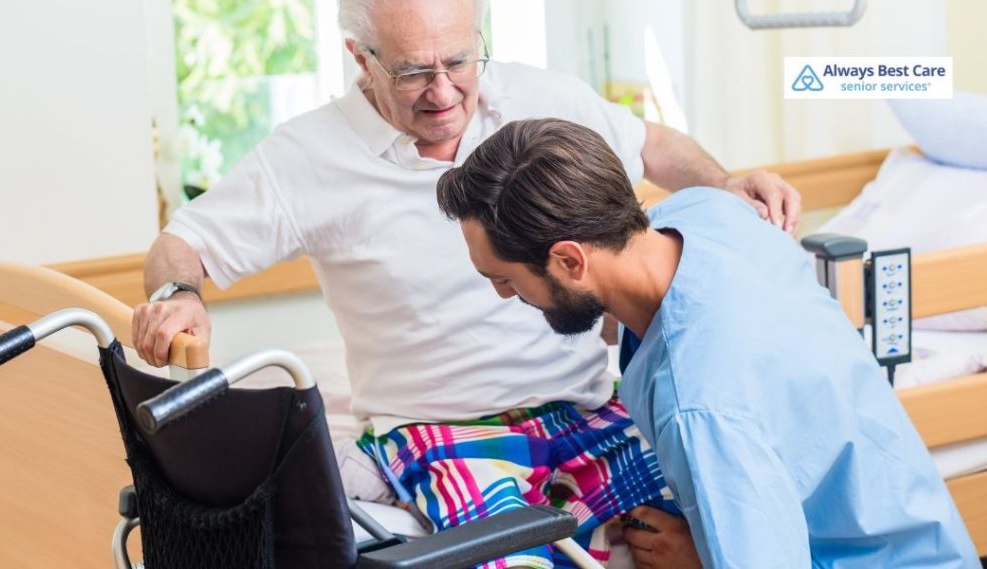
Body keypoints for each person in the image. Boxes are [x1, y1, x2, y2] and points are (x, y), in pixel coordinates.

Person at [132, 0, 800, 566]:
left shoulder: (540, 97)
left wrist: (726, 183)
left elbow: (650, 143)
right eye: (414, 72)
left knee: (727, 526)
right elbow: (180, 244)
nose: (444, 92)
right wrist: (177, 295)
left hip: (590, 407)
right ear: (359, 58)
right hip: (443, 430)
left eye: (457, 62)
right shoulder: (306, 157)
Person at [436, 117, 979, 568]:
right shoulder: (705, 212)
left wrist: (705, 559)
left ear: (570, 260)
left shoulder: (700, 405)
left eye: (504, 278)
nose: (503, 294)